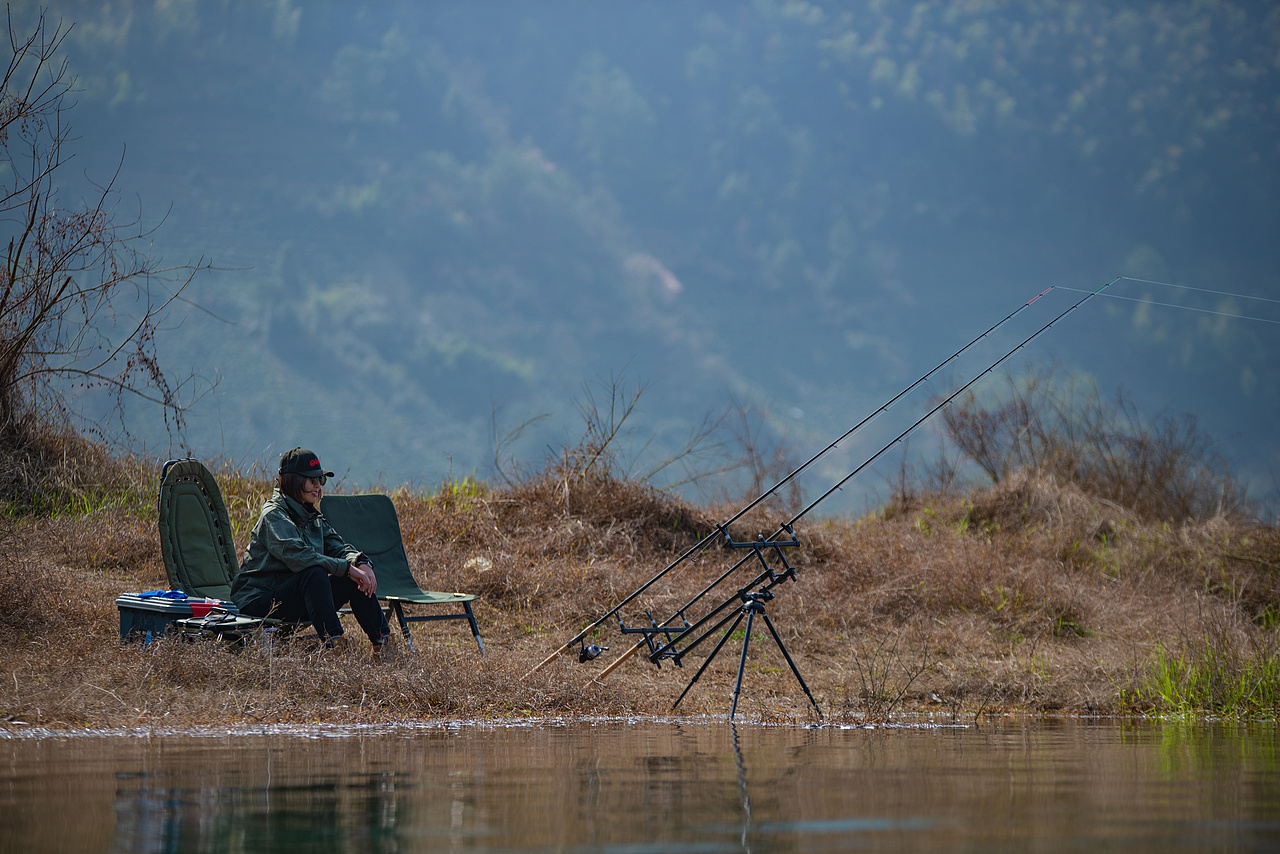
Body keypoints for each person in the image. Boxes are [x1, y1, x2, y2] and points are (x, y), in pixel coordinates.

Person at [230, 447, 390, 653]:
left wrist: (362, 563)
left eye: (321, 480)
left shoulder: (311, 516)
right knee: (314, 573)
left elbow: (339, 547)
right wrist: (347, 568)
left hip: (293, 597)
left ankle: (383, 643)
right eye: (312, 480)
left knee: (350, 579)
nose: (318, 486)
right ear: (293, 481)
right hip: (258, 604)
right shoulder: (274, 515)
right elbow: (300, 557)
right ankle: (334, 645)